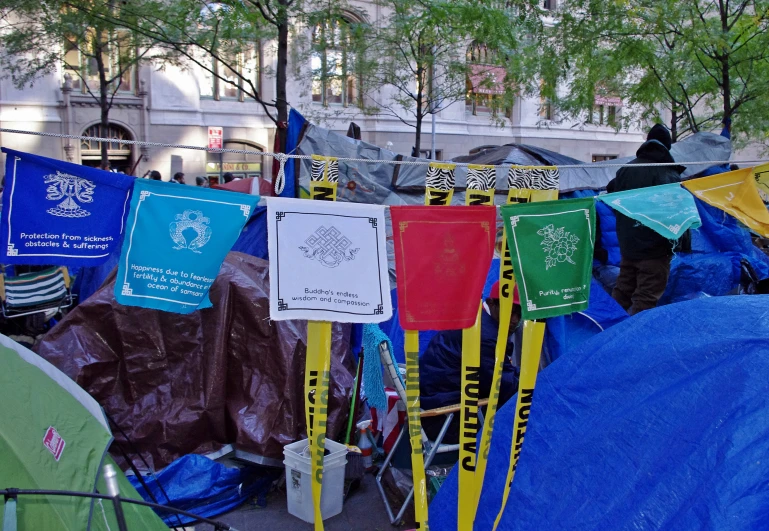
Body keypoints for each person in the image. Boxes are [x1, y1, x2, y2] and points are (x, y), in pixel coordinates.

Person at [419, 281, 522, 443]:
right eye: (510, 311)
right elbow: (502, 386)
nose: (515, 320)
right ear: (491, 303)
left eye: (519, 313)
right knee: (526, 407)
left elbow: (500, 374)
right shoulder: (486, 336)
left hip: (432, 404)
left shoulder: (472, 316)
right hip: (447, 420)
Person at [606, 124, 685, 315]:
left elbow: (610, 190)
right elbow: (676, 213)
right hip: (655, 250)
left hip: (629, 246)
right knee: (646, 298)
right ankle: (634, 341)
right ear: (667, 146)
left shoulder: (626, 170)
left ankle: (605, 332)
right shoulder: (668, 174)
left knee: (622, 292)